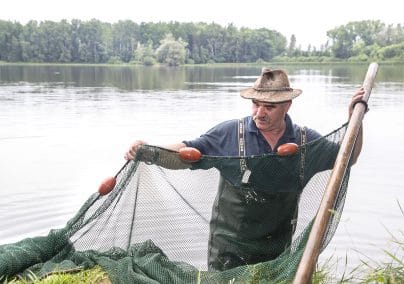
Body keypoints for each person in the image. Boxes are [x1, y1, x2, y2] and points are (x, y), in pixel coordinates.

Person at [125, 67, 366, 271]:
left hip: (278, 251)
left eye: (269, 107)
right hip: (228, 253)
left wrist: (356, 119)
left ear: (287, 105)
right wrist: (150, 151)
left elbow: (347, 158)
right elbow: (185, 153)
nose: (259, 113)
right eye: (256, 104)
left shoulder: (305, 142)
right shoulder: (230, 133)